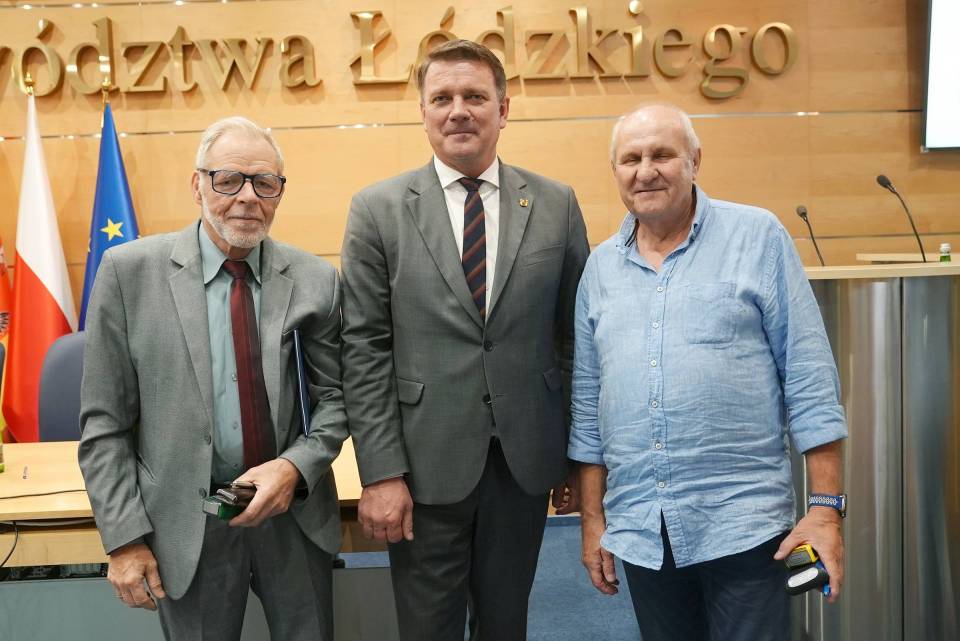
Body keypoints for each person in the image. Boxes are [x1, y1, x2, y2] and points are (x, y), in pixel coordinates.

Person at [339, 39, 590, 641]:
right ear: (423, 112)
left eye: (475, 96)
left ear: (503, 109)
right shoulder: (377, 210)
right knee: (428, 629)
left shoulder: (555, 204)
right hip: (421, 469)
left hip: (523, 463)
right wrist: (380, 472)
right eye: (442, 98)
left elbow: (574, 341)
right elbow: (364, 351)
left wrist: (575, 456)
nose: (458, 111)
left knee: (506, 625)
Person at [569, 104, 848, 641]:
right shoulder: (599, 269)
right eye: (631, 158)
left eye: (662, 155)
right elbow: (588, 404)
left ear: (695, 160)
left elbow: (810, 381)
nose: (645, 171)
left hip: (746, 527)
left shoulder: (757, 237)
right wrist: (591, 519)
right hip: (642, 528)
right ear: (615, 171)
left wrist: (825, 511)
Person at [78, 116, 348, 641]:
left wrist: (294, 467)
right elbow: (104, 425)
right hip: (186, 524)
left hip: (292, 514)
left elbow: (336, 399)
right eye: (228, 180)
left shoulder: (316, 280)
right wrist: (125, 539)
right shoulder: (128, 273)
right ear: (197, 185)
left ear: (279, 192)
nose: (247, 197)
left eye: (264, 182)